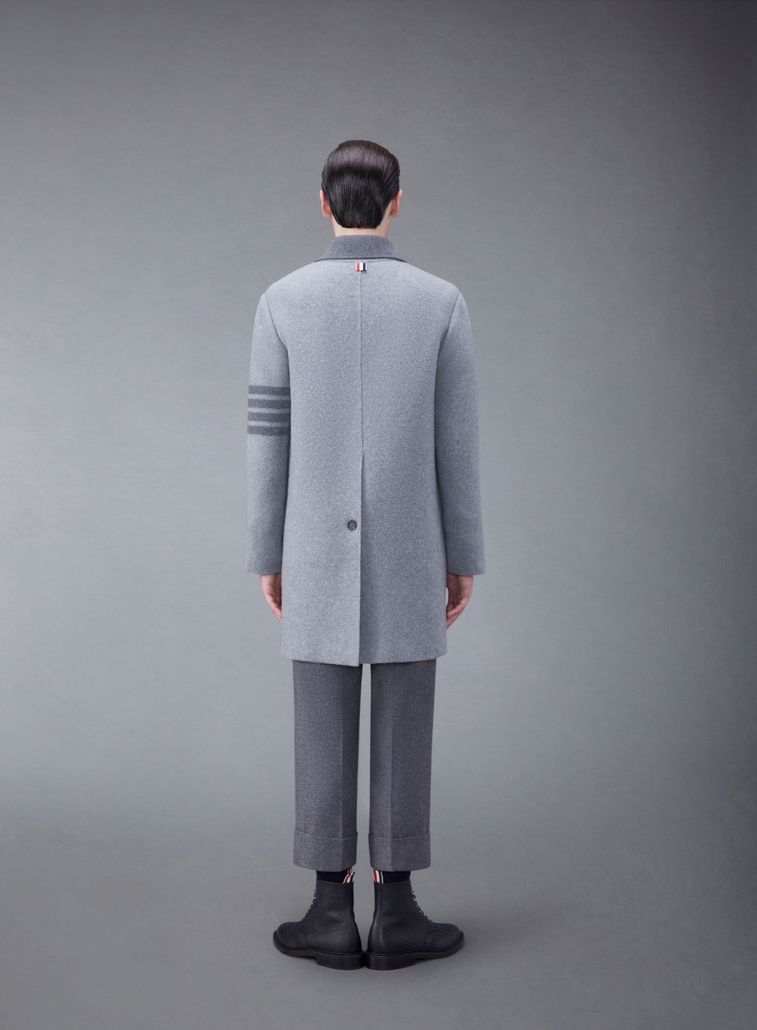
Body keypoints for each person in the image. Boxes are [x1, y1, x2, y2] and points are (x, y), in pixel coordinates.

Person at [245, 140, 485, 970]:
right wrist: (463, 555)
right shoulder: (441, 302)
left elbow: (267, 437)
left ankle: (328, 914)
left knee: (320, 725)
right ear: (396, 201)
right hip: (415, 548)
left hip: (310, 548)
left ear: (322, 202)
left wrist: (267, 552)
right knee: (406, 723)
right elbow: (457, 443)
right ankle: (398, 913)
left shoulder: (280, 300)